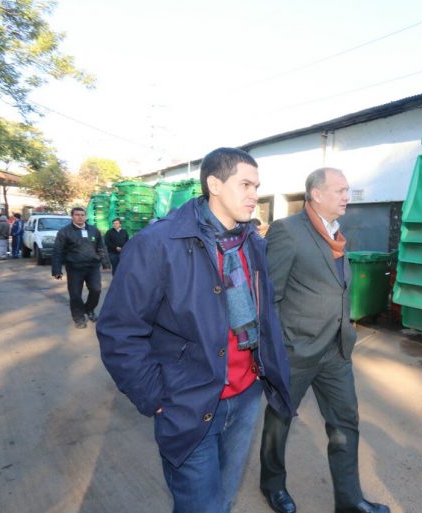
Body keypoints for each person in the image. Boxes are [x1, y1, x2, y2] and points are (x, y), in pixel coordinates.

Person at [96, 147, 294, 513]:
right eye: (245, 184)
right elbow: (119, 330)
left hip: (246, 396)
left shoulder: (253, 244)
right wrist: (156, 397)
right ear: (214, 184)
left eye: (257, 186)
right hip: (189, 402)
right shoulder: (158, 243)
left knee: (223, 500)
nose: (255, 194)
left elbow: (266, 313)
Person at [259, 168, 390, 513]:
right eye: (340, 190)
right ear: (316, 194)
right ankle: (272, 484)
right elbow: (269, 297)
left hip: (336, 349)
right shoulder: (288, 231)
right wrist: (279, 348)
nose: (347, 196)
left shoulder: (336, 235)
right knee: (280, 420)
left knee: (345, 422)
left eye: (347, 190)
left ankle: (349, 501)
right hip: (296, 351)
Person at [51, 207, 110, 329]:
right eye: (77, 215)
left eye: (82, 215)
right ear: (72, 216)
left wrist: (106, 263)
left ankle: (89, 309)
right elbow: (57, 251)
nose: (80, 217)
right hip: (74, 268)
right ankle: (78, 317)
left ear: (86, 216)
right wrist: (57, 270)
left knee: (96, 290)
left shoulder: (94, 230)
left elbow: (101, 247)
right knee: (75, 294)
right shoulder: (64, 232)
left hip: (92, 267)